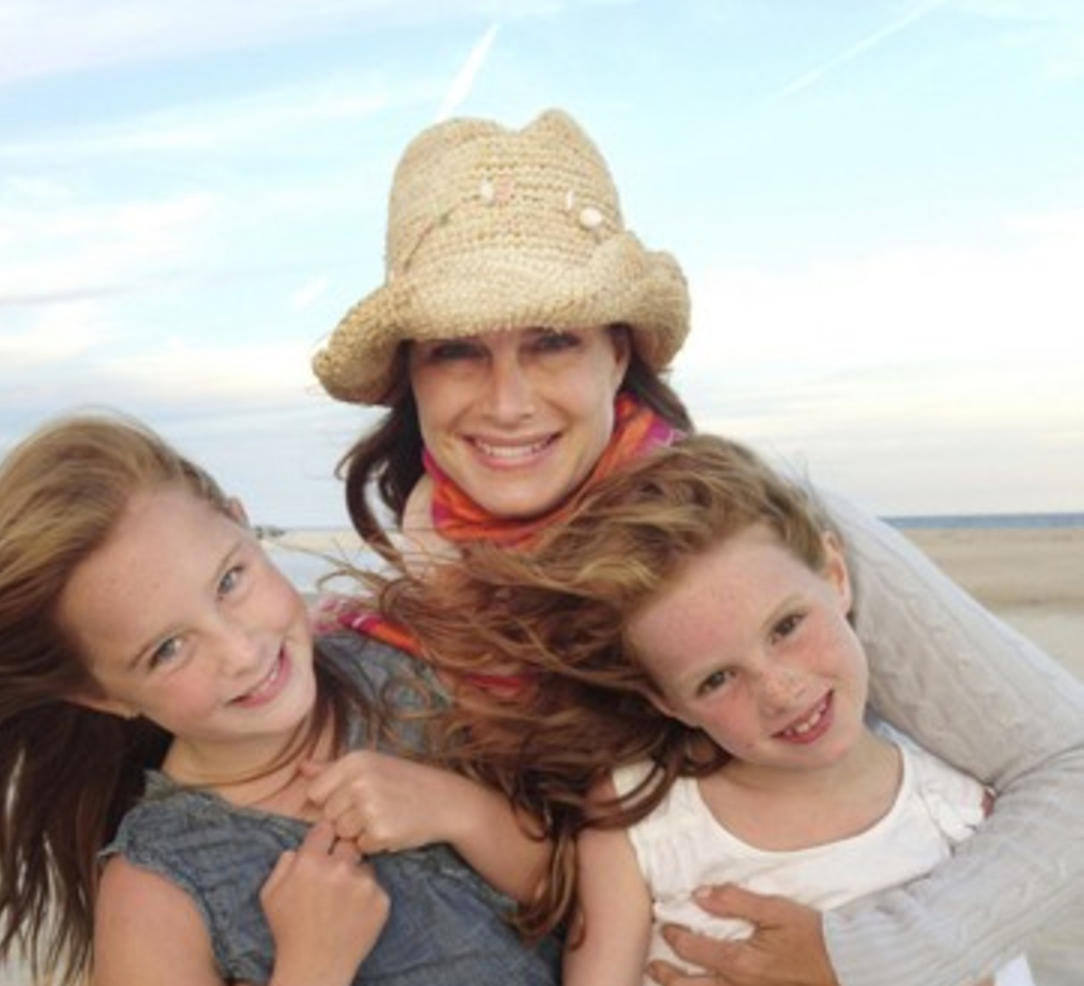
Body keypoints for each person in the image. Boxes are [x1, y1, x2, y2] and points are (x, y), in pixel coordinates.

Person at [311, 107, 1084, 986]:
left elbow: (1070, 765)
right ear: (409, 380)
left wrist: (854, 955)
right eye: (457, 351)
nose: (509, 401)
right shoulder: (402, 618)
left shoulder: (765, 541)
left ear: (619, 353)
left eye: (551, 340)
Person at [378, 434, 1036, 986]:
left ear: (835, 575)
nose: (779, 690)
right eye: (718, 678)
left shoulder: (957, 811)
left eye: (785, 627)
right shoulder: (639, 819)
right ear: (665, 700)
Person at [0, 414, 559, 986]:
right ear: (101, 695)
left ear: (243, 523)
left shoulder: (403, 670)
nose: (240, 652)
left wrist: (458, 810)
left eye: (230, 581)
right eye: (167, 650)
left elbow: (582, 890)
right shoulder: (157, 895)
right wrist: (311, 966)